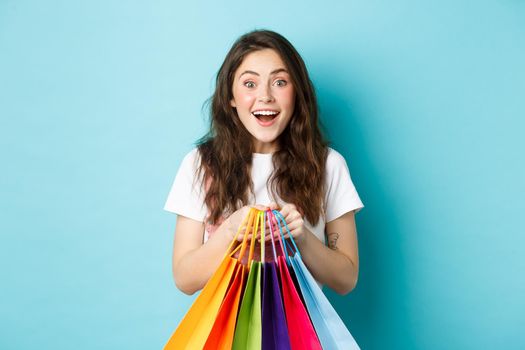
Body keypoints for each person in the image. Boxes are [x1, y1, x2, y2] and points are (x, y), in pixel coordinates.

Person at [164, 29, 364, 296]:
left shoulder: (328, 165)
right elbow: (184, 278)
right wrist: (230, 231)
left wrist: (302, 236)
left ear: (297, 93)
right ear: (231, 97)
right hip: (225, 336)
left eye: (280, 82)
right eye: (249, 84)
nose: (266, 96)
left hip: (301, 337)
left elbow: (346, 278)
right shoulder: (200, 164)